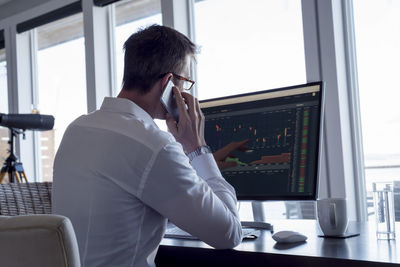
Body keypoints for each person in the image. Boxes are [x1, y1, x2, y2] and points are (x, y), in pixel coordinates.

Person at [52, 25, 244, 267]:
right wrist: (197, 147)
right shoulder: (154, 146)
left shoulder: (77, 129)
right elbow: (229, 233)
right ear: (168, 84)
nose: (185, 92)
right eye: (184, 82)